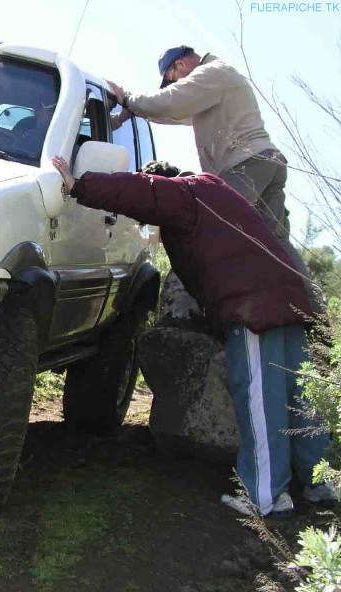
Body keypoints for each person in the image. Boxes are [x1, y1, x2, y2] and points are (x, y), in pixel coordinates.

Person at [51, 155, 336, 517]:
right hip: (287, 297)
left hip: (253, 305)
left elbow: (145, 192)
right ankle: (316, 482)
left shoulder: (184, 192)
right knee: (300, 395)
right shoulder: (216, 191)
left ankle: (265, 497)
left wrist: (80, 186)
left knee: (261, 398)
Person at [107, 45, 322, 313]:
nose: (173, 83)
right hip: (266, 161)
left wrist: (126, 97)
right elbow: (171, 112)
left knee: (207, 229)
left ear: (181, 65)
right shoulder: (217, 81)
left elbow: (171, 101)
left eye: (171, 78)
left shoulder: (212, 72)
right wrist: (130, 110)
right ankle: (315, 316)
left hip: (246, 165)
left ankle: (193, 313)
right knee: (277, 241)